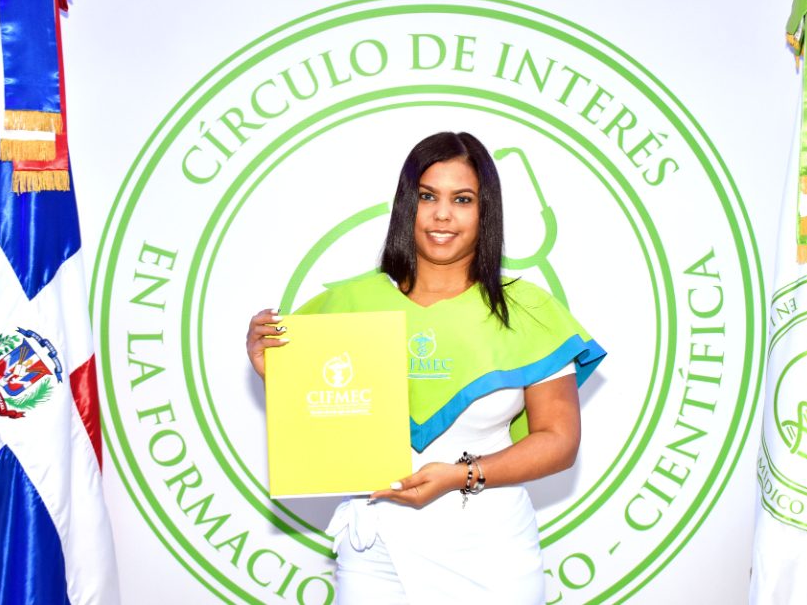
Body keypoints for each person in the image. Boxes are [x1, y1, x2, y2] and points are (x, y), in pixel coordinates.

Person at [247, 132, 605, 604]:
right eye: (427, 196)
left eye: (462, 199)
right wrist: (275, 371)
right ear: (406, 205)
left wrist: (461, 475)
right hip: (375, 550)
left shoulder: (527, 310)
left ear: (486, 210)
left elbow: (559, 441)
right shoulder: (349, 305)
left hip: (491, 550)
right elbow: (330, 414)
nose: (442, 215)